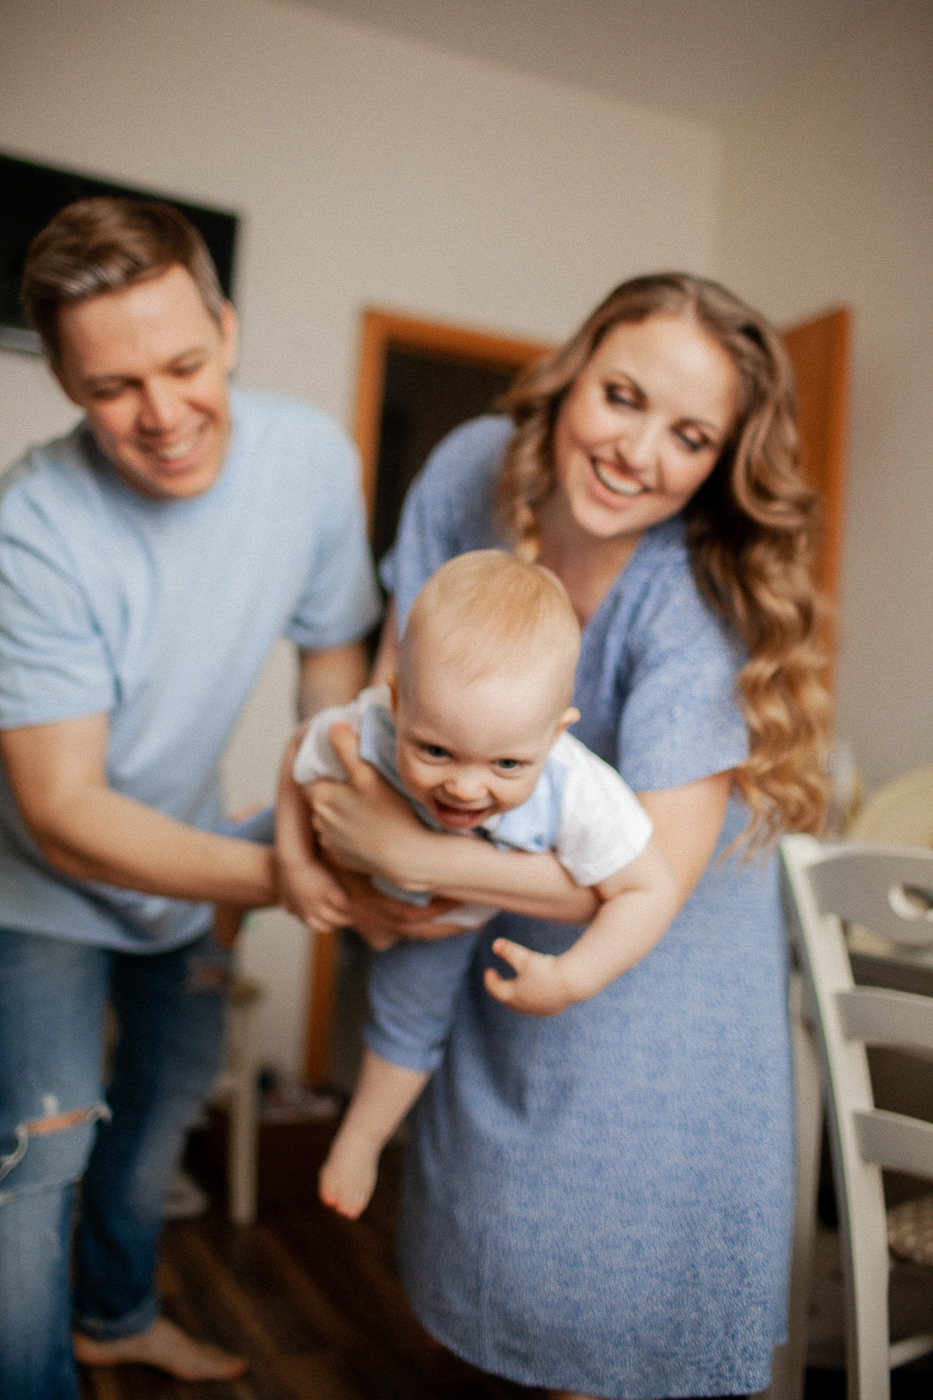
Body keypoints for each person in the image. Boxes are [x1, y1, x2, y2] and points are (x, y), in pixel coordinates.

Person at [305, 273, 832, 1400]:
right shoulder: (469, 471)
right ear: (572, 370)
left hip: (660, 951)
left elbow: (654, 872)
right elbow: (399, 701)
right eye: (623, 396)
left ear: (723, 459)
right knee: (498, 1256)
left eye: (690, 435)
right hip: (502, 899)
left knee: (615, 1299)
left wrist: (414, 856)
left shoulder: (698, 590)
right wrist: (337, 845)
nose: (639, 451)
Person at [0, 197, 380, 1399]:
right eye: (113, 387)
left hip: (192, 854)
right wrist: (277, 873)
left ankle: (115, 1316)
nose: (163, 417)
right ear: (63, 380)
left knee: (160, 1121)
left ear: (227, 323)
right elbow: (62, 807)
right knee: (39, 1162)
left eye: (184, 363)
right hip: (36, 884)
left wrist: (317, 819)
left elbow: (332, 673)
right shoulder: (30, 528)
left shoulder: (313, 456)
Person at [276, 549, 677, 1218]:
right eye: (433, 750)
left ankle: (361, 1138)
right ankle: (223, 914)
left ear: (554, 735)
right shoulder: (370, 721)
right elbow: (300, 753)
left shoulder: (577, 789)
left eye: (506, 763)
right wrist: (293, 859)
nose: (464, 786)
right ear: (399, 702)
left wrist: (573, 977)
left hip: (441, 921)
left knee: (409, 1022)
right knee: (256, 835)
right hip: (343, 852)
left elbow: (650, 888)